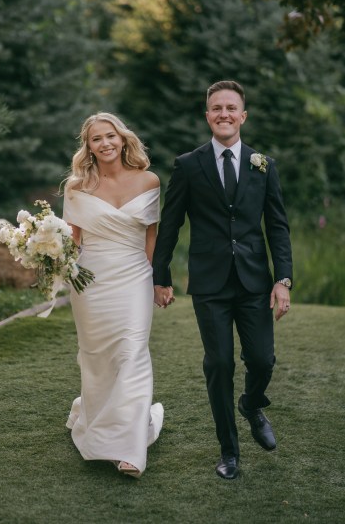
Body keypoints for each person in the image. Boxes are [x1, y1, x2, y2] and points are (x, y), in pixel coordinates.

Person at [152, 81, 293, 480]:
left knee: (262, 359)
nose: (224, 114)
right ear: (207, 115)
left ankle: (251, 404)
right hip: (210, 284)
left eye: (231, 108)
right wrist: (160, 276)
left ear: (243, 116)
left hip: (254, 282)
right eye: (216, 108)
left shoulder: (262, 164)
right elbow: (171, 223)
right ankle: (229, 451)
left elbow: (278, 227)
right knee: (219, 364)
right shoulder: (188, 165)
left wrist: (283, 279)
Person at [62, 112, 164, 478]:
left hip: (135, 273)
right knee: (97, 358)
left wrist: (159, 280)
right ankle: (97, 417)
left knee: (133, 352)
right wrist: (50, 262)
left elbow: (152, 235)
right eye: (96, 139)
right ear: (87, 147)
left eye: (110, 136)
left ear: (123, 139)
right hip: (90, 281)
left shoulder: (149, 180)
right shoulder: (76, 187)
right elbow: (72, 240)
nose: (104, 143)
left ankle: (130, 449)